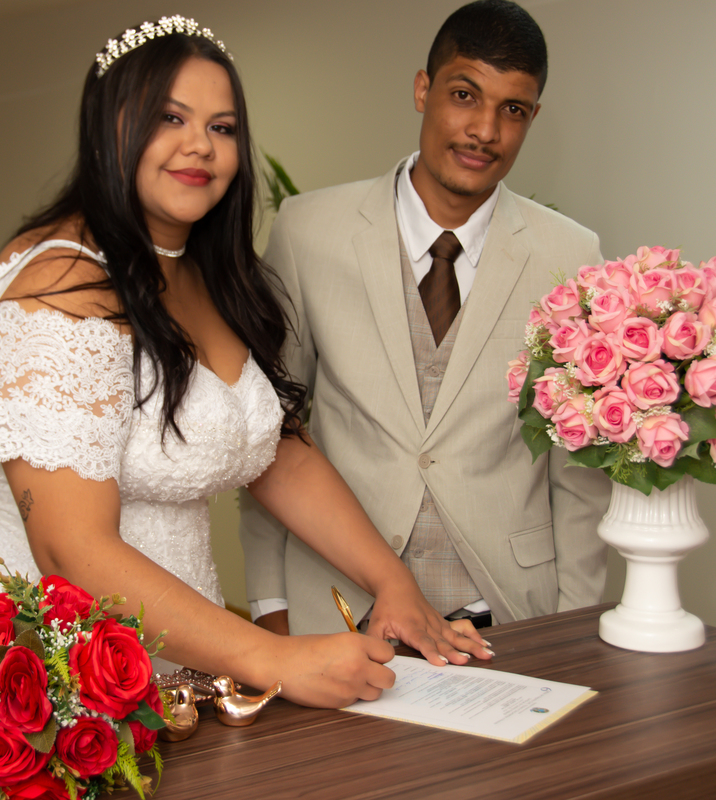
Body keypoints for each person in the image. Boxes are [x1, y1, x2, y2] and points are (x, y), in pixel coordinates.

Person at [0, 16, 488, 771]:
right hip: (33, 645)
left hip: (172, 633)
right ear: (111, 126)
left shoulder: (210, 273)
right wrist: (273, 657)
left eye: (221, 127)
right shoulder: (62, 284)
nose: (200, 145)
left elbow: (273, 450)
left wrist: (392, 581)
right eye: (170, 118)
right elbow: (69, 548)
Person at [240, 0, 611, 637]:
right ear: (422, 89)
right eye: (465, 95)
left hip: (507, 612)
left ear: (532, 118)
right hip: (335, 606)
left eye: (512, 110)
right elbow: (270, 427)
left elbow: (577, 472)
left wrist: (572, 626)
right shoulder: (309, 232)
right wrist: (269, 605)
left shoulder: (571, 256)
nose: (484, 130)